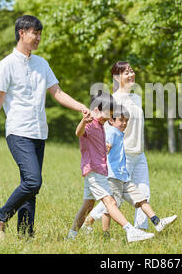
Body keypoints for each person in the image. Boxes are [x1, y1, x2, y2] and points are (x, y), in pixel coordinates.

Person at [0, 15, 91, 242]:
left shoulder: (42, 64)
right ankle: (0, 218)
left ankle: (25, 237)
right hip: (18, 131)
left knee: (30, 188)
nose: (38, 38)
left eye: (40, 34)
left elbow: (57, 93)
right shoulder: (6, 65)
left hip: (40, 132)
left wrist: (82, 108)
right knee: (33, 180)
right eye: (35, 33)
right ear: (22, 33)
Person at [66, 92, 154, 243]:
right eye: (109, 112)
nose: (110, 116)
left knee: (87, 205)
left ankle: (71, 236)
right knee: (110, 202)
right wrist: (83, 122)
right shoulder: (90, 123)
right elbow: (78, 133)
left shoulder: (101, 126)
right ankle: (130, 231)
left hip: (99, 170)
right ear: (97, 109)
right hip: (93, 170)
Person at [83, 105, 177, 238]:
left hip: (124, 177)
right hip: (113, 176)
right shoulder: (111, 132)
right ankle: (105, 234)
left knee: (141, 198)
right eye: (121, 120)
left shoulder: (119, 133)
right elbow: (107, 145)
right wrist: (106, 148)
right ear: (111, 120)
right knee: (110, 208)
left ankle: (157, 221)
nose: (124, 123)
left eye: (126, 120)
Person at [89, 62, 151, 230]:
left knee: (144, 193)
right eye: (126, 73)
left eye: (132, 71)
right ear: (117, 77)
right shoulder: (114, 100)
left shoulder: (136, 98)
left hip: (139, 153)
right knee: (118, 197)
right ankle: (90, 219)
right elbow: (107, 129)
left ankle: (142, 229)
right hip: (123, 155)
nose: (131, 75)